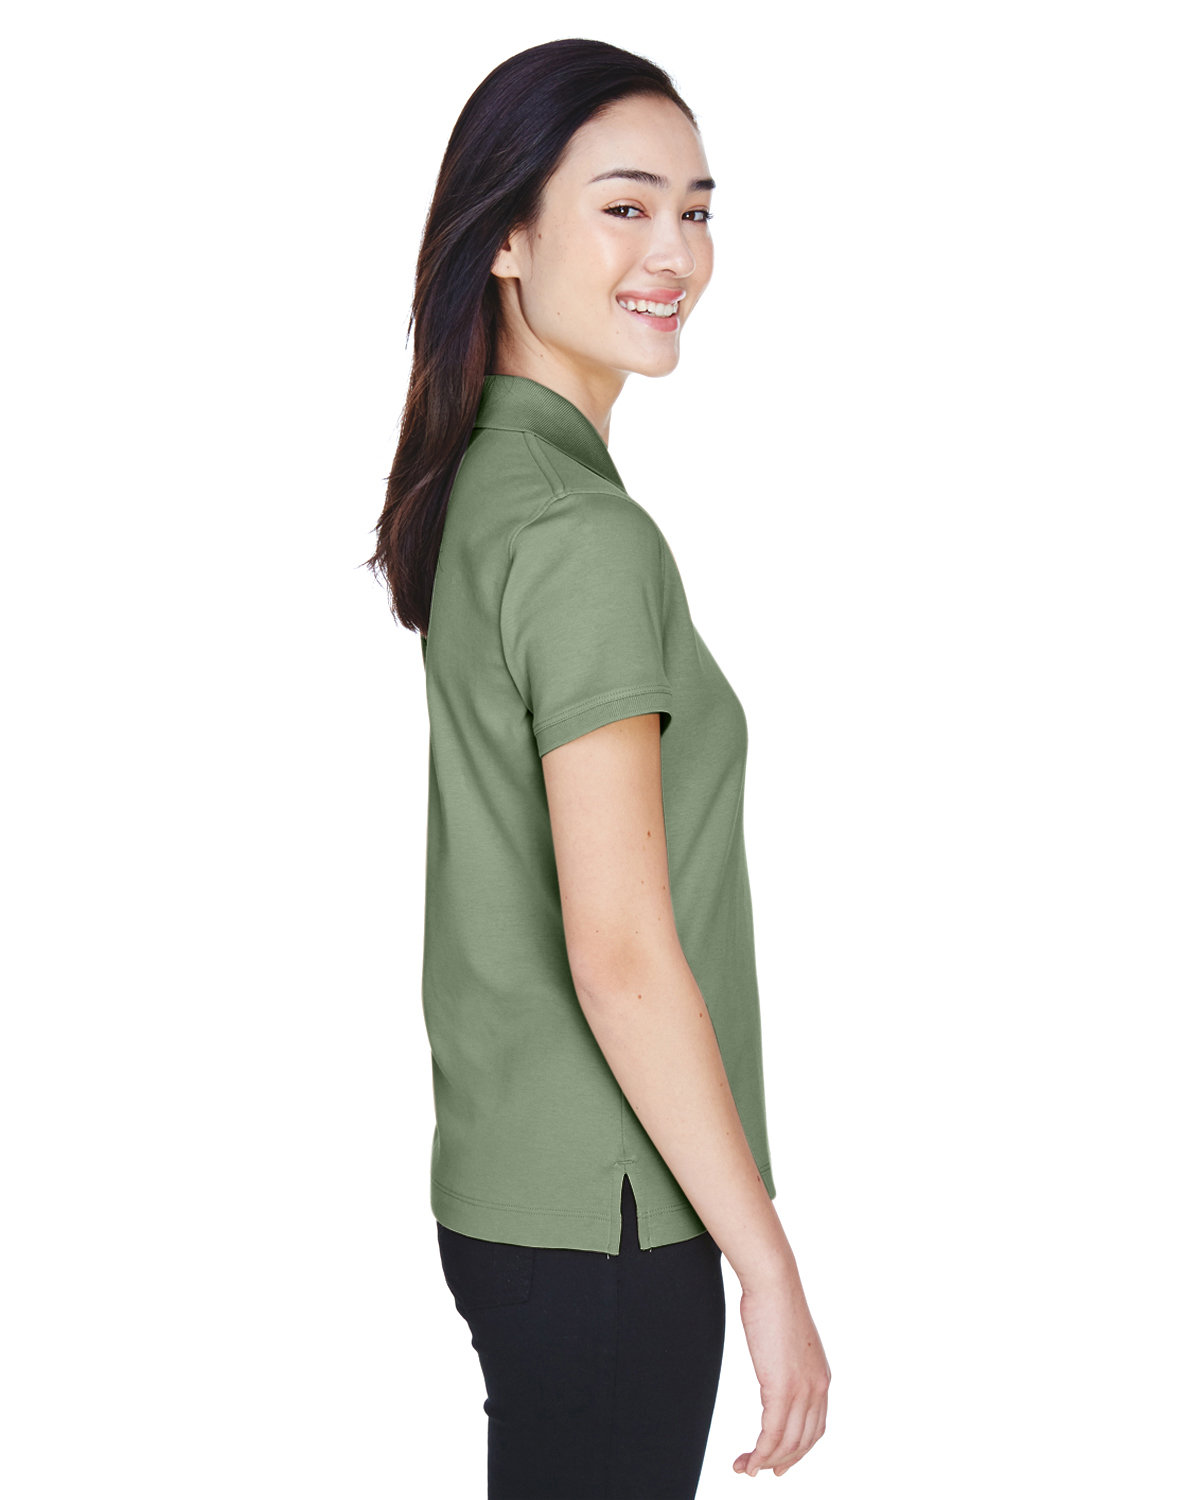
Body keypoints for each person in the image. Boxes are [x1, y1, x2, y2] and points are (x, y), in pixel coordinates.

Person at [369, 38, 830, 1500]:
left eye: (696, 210)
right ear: (505, 237)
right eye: (625, 207)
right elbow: (619, 951)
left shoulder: (491, 486)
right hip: (613, 1217)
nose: (674, 252)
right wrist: (767, 1265)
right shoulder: (580, 534)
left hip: (521, 1198)